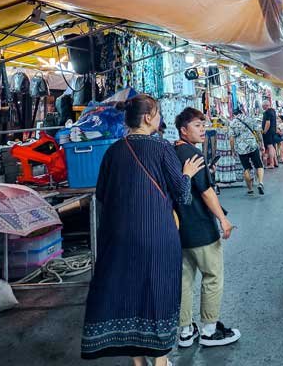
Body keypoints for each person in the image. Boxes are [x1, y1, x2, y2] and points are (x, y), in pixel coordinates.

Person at [81, 95, 204, 365]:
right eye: (158, 113)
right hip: (157, 234)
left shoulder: (113, 151)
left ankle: (138, 362)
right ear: (148, 117)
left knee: (129, 294)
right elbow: (182, 196)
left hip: (119, 237)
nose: (159, 118)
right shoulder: (161, 148)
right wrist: (188, 174)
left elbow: (102, 195)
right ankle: (159, 360)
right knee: (158, 291)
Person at [174, 108, 241, 348]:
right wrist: (223, 219)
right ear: (184, 130)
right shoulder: (193, 155)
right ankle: (210, 331)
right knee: (212, 277)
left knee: (184, 279)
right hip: (201, 227)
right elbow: (206, 191)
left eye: (203, 125)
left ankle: (184, 332)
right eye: (196, 126)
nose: (202, 129)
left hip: (179, 228)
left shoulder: (171, 152)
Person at [228, 105, 265, 195]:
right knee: (259, 165)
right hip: (252, 145)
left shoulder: (232, 123)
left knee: (246, 168)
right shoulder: (250, 119)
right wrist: (261, 143)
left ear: (234, 114)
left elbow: (231, 139)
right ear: (242, 112)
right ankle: (260, 183)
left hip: (241, 148)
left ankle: (250, 189)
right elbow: (258, 131)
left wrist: (232, 150)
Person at [261, 100, 278, 169]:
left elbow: (268, 123)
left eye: (263, 106)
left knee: (270, 146)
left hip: (268, 132)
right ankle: (275, 162)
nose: (262, 107)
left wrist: (264, 131)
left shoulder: (267, 112)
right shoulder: (273, 111)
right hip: (273, 131)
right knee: (272, 146)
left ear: (265, 105)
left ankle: (271, 163)